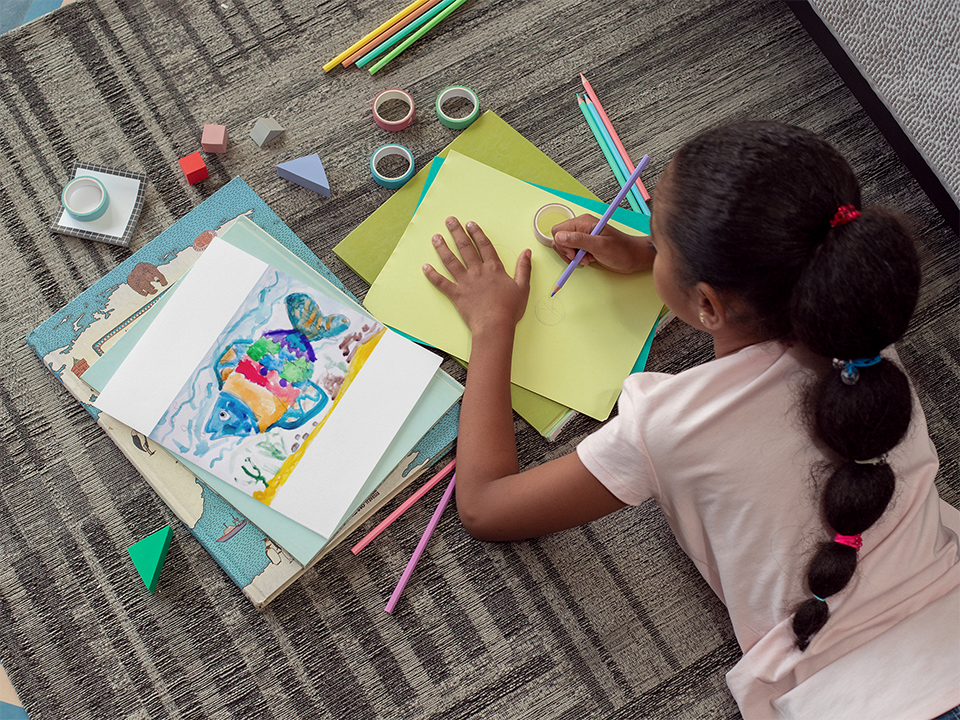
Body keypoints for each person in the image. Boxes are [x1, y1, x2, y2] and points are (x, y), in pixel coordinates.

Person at [421, 121, 960, 720]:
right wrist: (655, 257)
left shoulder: (670, 425)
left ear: (707, 303)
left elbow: (488, 506)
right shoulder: (868, 338)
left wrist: (492, 326)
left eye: (657, 237)